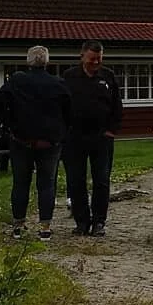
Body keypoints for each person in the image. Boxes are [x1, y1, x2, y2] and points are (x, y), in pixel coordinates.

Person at [0, 46, 71, 241]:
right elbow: (69, 109)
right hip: (49, 142)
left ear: (28, 61)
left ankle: (18, 225)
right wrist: (61, 130)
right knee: (46, 184)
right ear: (46, 62)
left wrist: (8, 121)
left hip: (21, 139)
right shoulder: (58, 83)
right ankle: (45, 226)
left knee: (20, 183)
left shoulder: (18, 80)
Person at [62, 41, 123, 237]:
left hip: (101, 136)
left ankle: (99, 222)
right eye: (91, 59)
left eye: (99, 59)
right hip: (75, 137)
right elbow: (61, 106)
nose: (95, 62)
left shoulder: (108, 76)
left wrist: (111, 130)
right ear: (82, 57)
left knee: (102, 180)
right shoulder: (69, 77)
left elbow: (117, 106)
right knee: (75, 180)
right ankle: (81, 222)